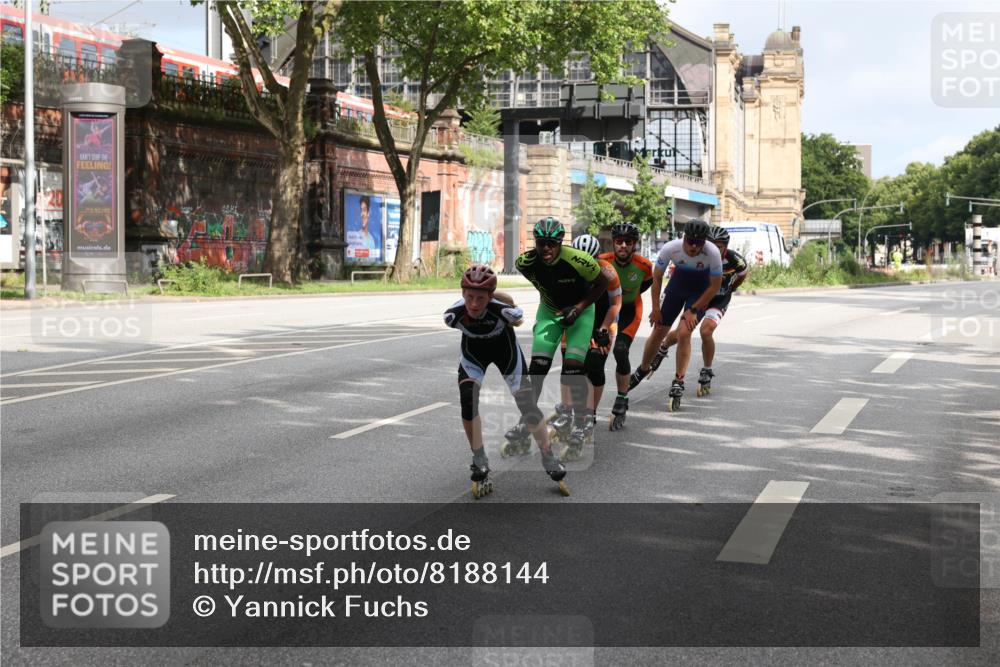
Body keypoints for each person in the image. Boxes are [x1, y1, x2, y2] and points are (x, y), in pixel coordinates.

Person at [444, 264, 568, 498]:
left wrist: (502, 298)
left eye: (480, 298)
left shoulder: (504, 311)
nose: (473, 304)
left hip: (507, 354)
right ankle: (479, 459)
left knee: (527, 405)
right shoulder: (453, 315)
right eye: (469, 297)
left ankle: (548, 456)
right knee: (467, 402)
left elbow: (518, 317)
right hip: (473, 357)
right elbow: (457, 311)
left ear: (490, 297)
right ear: (462, 294)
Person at [507, 217, 609, 461]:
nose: (546, 249)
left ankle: (582, 422)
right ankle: (527, 419)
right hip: (550, 311)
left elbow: (602, 284)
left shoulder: (579, 260)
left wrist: (579, 306)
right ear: (536, 242)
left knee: (572, 369)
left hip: (581, 312)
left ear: (560, 243)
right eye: (542, 243)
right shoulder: (525, 262)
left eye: (552, 244)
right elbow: (544, 286)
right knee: (538, 368)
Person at [628, 219, 723, 411]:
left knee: (684, 332)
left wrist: (694, 309)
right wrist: (655, 309)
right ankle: (643, 368)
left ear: (705, 242)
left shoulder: (712, 253)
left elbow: (714, 287)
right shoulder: (671, 248)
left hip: (700, 292)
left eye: (699, 243)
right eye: (690, 241)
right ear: (684, 237)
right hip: (677, 287)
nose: (694, 247)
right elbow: (656, 279)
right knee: (659, 330)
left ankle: (679, 379)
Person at [646, 225, 748, 397]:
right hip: (699, 296)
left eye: (719, 246)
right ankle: (664, 347)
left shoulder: (735, 260)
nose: (714, 248)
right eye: (711, 244)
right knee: (681, 332)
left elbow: (743, 274)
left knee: (706, 331)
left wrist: (731, 288)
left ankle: (707, 369)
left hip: (717, 299)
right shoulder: (700, 254)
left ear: (726, 246)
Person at [550, 234, 622, 455]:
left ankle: (589, 416)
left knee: (594, 366)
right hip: (577, 321)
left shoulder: (608, 272)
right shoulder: (566, 268)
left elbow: (616, 304)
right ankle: (566, 412)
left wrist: (603, 329)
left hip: (602, 323)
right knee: (570, 368)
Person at [598, 221, 653, 430]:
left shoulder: (644, 266)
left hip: (630, 309)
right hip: (606, 310)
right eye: (619, 241)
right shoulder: (602, 261)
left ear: (634, 245)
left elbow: (645, 284)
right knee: (594, 356)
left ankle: (622, 397)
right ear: (613, 243)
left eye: (628, 242)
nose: (623, 245)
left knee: (621, 351)